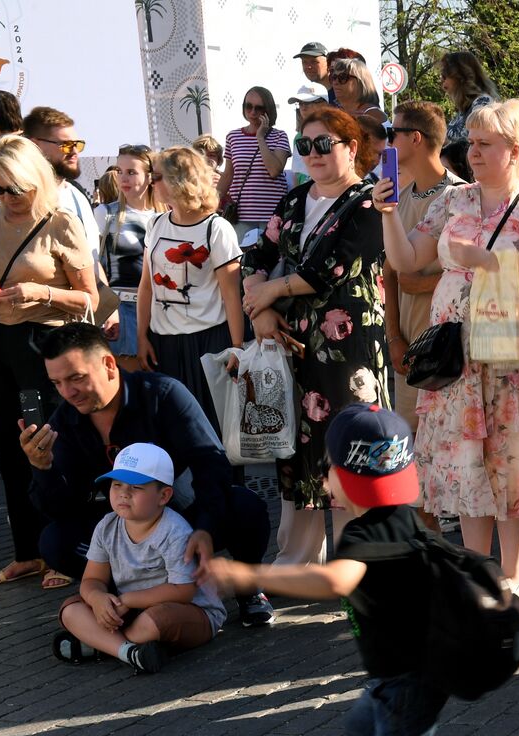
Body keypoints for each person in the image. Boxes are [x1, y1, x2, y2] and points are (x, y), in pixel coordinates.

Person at [202, 404, 496, 736]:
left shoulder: (366, 534)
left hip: (411, 681)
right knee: (364, 730)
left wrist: (250, 573)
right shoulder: (401, 519)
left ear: (342, 476)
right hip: (400, 675)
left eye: (330, 469)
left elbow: (336, 581)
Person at [378, 99, 519, 599]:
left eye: (486, 144)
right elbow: (406, 260)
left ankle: (512, 572)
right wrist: (388, 213)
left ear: (514, 150)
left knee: (511, 459)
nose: (475, 151)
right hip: (456, 355)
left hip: (510, 354)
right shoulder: (454, 200)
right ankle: (475, 570)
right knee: (467, 463)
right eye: (473, 142)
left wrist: (484, 261)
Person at [23, 323, 272, 622]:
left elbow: (212, 464)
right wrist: (42, 468)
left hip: (182, 520)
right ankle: (124, 600)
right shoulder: (63, 421)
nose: (68, 392)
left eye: (76, 378)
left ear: (108, 364)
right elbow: (63, 509)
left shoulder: (163, 394)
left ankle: (248, 587)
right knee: (54, 541)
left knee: (246, 506)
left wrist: (206, 527)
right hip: (120, 532)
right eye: (57, 383)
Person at [242, 106, 388, 565]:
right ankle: (299, 558)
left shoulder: (368, 201)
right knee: (296, 448)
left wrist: (270, 291)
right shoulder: (293, 199)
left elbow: (330, 269)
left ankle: (354, 560)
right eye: (305, 146)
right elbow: (255, 256)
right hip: (292, 343)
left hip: (350, 346)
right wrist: (259, 310)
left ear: (351, 147)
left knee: (349, 446)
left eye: (325, 143)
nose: (314, 153)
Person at [0, 136, 97, 590]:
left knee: (47, 444)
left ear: (33, 181)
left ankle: (61, 548)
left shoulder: (59, 222)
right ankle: (27, 552)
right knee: (8, 447)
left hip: (43, 345)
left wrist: (39, 293)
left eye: (11, 190)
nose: (3, 198)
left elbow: (88, 297)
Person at [53, 442, 226, 673]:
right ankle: (131, 652)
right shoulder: (107, 526)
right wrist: (97, 599)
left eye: (135, 487)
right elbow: (92, 580)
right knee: (70, 609)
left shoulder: (175, 531)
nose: (123, 493)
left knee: (156, 620)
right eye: (117, 485)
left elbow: (183, 591)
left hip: (188, 612)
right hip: (132, 612)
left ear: (163, 495)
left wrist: (127, 601)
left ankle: (101, 645)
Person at [137, 146, 246, 437]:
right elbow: (146, 285)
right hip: (164, 345)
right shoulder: (156, 223)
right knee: (173, 431)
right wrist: (141, 335)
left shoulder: (217, 228)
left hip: (209, 343)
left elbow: (231, 295)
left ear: (178, 180)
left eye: (157, 176)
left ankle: (222, 485)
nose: (151, 183)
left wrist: (237, 347)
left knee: (215, 431)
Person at [383, 100, 463, 475]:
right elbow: (391, 272)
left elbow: (471, 272)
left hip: (450, 351)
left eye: (391, 134)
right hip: (409, 351)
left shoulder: (462, 196)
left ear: (414, 138)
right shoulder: (396, 198)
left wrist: (422, 279)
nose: (386, 143)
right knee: (413, 466)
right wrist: (393, 337)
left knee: (450, 458)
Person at [94, 145, 164, 373]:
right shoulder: (106, 213)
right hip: (121, 311)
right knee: (132, 388)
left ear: (149, 176)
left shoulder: (166, 216)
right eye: (120, 171)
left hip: (162, 311)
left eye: (131, 172)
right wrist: (108, 309)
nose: (123, 178)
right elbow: (93, 263)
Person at [23, 107, 101, 266]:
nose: (74, 152)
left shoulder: (78, 195)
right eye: (65, 144)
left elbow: (92, 265)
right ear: (35, 145)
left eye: (77, 144)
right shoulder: (18, 199)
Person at [220, 87, 292, 244]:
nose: (252, 112)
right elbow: (228, 175)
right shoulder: (233, 137)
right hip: (241, 215)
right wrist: (210, 202)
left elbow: (274, 170)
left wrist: (260, 137)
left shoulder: (280, 136)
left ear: (268, 110)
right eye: (248, 106)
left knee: (270, 265)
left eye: (259, 108)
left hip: (272, 216)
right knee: (240, 262)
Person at [440, 52, 500, 179]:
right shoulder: (465, 109)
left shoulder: (482, 104)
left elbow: (473, 143)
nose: (443, 85)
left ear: (460, 77)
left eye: (445, 77)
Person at [330, 56, 384, 122]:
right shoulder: (336, 112)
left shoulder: (372, 114)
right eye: (334, 77)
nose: (336, 82)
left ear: (360, 82)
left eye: (343, 77)